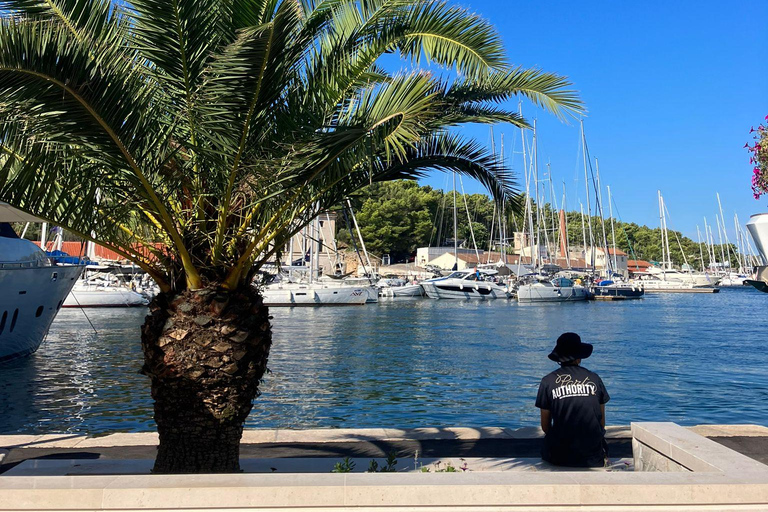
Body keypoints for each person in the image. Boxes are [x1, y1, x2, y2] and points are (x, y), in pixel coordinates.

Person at [535, 332, 610, 467]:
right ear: (579, 357)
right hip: (593, 455)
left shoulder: (547, 381)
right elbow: (601, 422)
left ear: (559, 358)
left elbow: (545, 426)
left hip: (559, 456)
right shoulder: (594, 378)